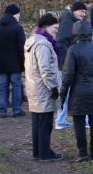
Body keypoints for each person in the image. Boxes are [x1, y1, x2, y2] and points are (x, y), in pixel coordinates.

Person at [61, 20, 93, 161]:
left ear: (75, 33)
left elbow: (68, 75)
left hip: (78, 91)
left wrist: (63, 94)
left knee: (79, 122)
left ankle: (82, 153)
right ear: (89, 32)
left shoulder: (73, 50)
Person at [24, 13, 64, 160]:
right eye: (55, 28)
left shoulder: (32, 40)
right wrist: (53, 87)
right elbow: (45, 69)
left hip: (34, 87)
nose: (56, 31)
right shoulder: (43, 44)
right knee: (45, 123)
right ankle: (45, 154)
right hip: (43, 89)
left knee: (37, 122)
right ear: (46, 27)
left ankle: (38, 152)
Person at [55, 0, 89, 130]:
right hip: (67, 65)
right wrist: (68, 61)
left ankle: (61, 120)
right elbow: (61, 42)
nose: (83, 14)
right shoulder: (68, 22)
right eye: (82, 11)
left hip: (70, 63)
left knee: (70, 92)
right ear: (75, 10)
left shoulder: (72, 21)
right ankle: (62, 120)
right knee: (72, 91)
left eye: (85, 12)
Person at [0, 3, 27, 118]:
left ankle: (2, 110)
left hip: (1, 63)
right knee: (16, 86)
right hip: (15, 63)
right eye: (19, 14)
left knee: (3, 86)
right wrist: (23, 63)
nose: (19, 16)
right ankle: (17, 110)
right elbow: (22, 48)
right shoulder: (18, 28)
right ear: (15, 14)